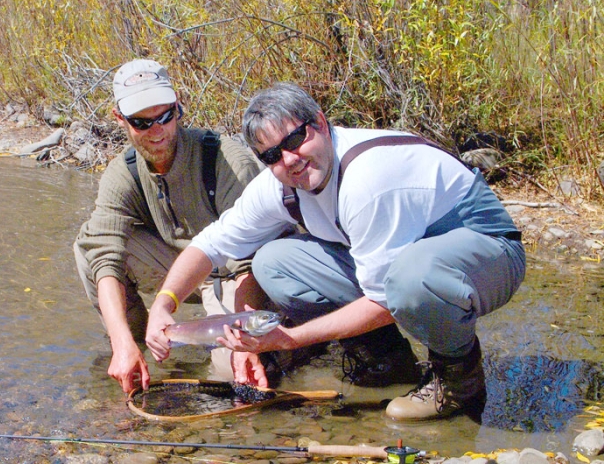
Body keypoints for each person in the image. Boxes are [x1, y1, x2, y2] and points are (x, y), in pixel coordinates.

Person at [145, 82, 526, 421]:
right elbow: (211, 245)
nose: (290, 159)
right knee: (273, 263)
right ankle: (387, 360)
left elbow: (383, 300)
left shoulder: (366, 180)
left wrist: (290, 339)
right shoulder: (278, 185)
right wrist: (165, 303)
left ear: (321, 123)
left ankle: (458, 379)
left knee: (411, 278)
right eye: (272, 155)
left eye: (295, 140)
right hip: (404, 261)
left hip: (487, 251)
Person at [73, 59, 266, 394]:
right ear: (120, 119)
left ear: (179, 107)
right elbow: (104, 255)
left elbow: (252, 260)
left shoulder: (230, 162)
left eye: (165, 116)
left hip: (232, 273)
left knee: (227, 376)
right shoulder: (123, 173)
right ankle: (133, 350)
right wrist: (122, 343)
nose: (157, 130)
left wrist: (246, 342)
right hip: (175, 273)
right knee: (87, 245)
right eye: (142, 122)